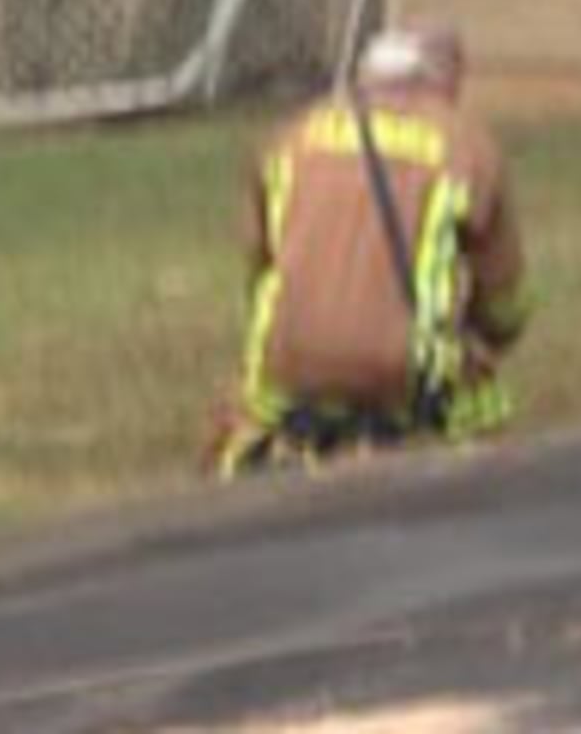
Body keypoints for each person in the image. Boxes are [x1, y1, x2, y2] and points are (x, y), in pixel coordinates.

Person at [218, 25, 527, 476]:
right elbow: (504, 299)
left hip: (286, 363)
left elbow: (257, 266)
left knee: (236, 423)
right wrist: (492, 337)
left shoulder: (291, 139)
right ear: (443, 83)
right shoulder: (468, 149)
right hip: (402, 373)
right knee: (488, 413)